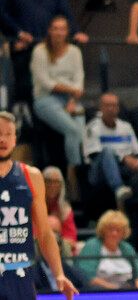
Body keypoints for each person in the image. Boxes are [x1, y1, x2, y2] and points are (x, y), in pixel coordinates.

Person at [0, 111, 78, 299]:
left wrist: (59, 273)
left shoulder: (31, 176)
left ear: (15, 138)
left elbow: (44, 232)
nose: (2, 139)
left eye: (8, 133)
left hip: (21, 275)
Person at [0, 0, 88, 106]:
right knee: (25, 90)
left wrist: (75, 32)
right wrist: (18, 33)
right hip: (24, 49)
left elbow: (66, 12)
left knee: (48, 90)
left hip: (48, 50)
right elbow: (2, 14)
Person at [29, 15, 85, 197]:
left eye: (62, 28)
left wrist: (72, 100)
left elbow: (79, 81)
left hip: (70, 100)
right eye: (55, 28)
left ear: (67, 31)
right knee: (73, 130)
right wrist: (71, 91)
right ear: (49, 31)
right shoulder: (40, 51)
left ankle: (78, 173)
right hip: (45, 100)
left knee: (80, 128)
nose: (59, 32)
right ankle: (73, 176)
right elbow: (46, 83)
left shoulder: (75, 52)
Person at [84, 93, 138, 210]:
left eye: (114, 106)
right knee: (107, 151)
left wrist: (136, 162)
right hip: (98, 172)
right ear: (100, 107)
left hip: (126, 169)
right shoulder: (92, 127)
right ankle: (119, 189)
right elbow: (94, 155)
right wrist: (123, 158)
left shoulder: (126, 127)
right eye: (107, 105)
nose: (111, 109)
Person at [76, 210, 138, 289]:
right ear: (103, 230)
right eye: (110, 229)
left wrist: (137, 291)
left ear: (124, 232)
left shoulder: (127, 247)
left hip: (126, 291)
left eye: (118, 230)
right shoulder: (92, 246)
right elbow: (88, 277)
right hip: (100, 293)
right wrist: (116, 290)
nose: (114, 233)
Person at [42, 166, 78, 252]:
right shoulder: (32, 205)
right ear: (42, 183)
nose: (52, 185)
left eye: (56, 182)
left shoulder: (65, 209)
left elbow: (71, 239)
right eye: (49, 181)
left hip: (60, 247)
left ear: (61, 185)